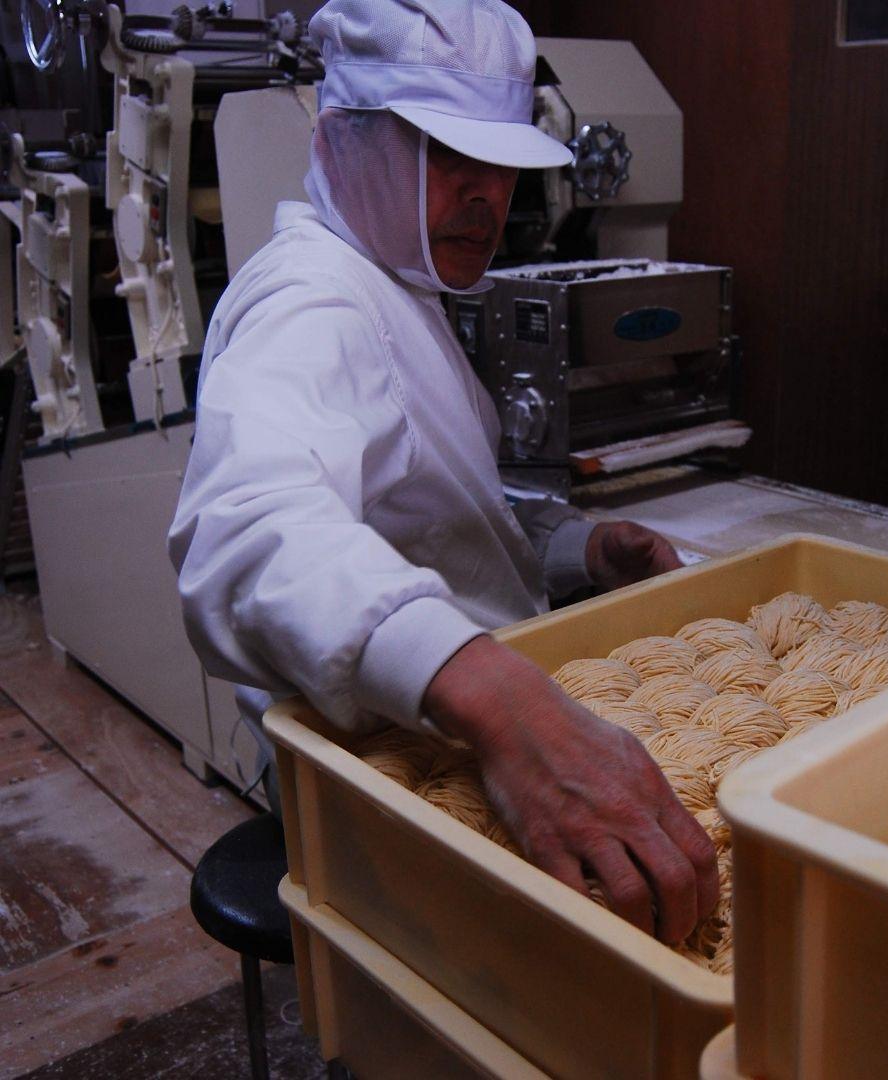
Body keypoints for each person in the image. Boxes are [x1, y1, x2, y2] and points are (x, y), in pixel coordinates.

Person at [168, 0, 718, 945]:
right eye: (445, 155)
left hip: (465, 724)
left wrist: (578, 547)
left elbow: (433, 516)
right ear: (343, 139)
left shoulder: (398, 289)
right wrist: (505, 707)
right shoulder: (311, 306)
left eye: (502, 163)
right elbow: (248, 533)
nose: (487, 196)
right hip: (396, 768)